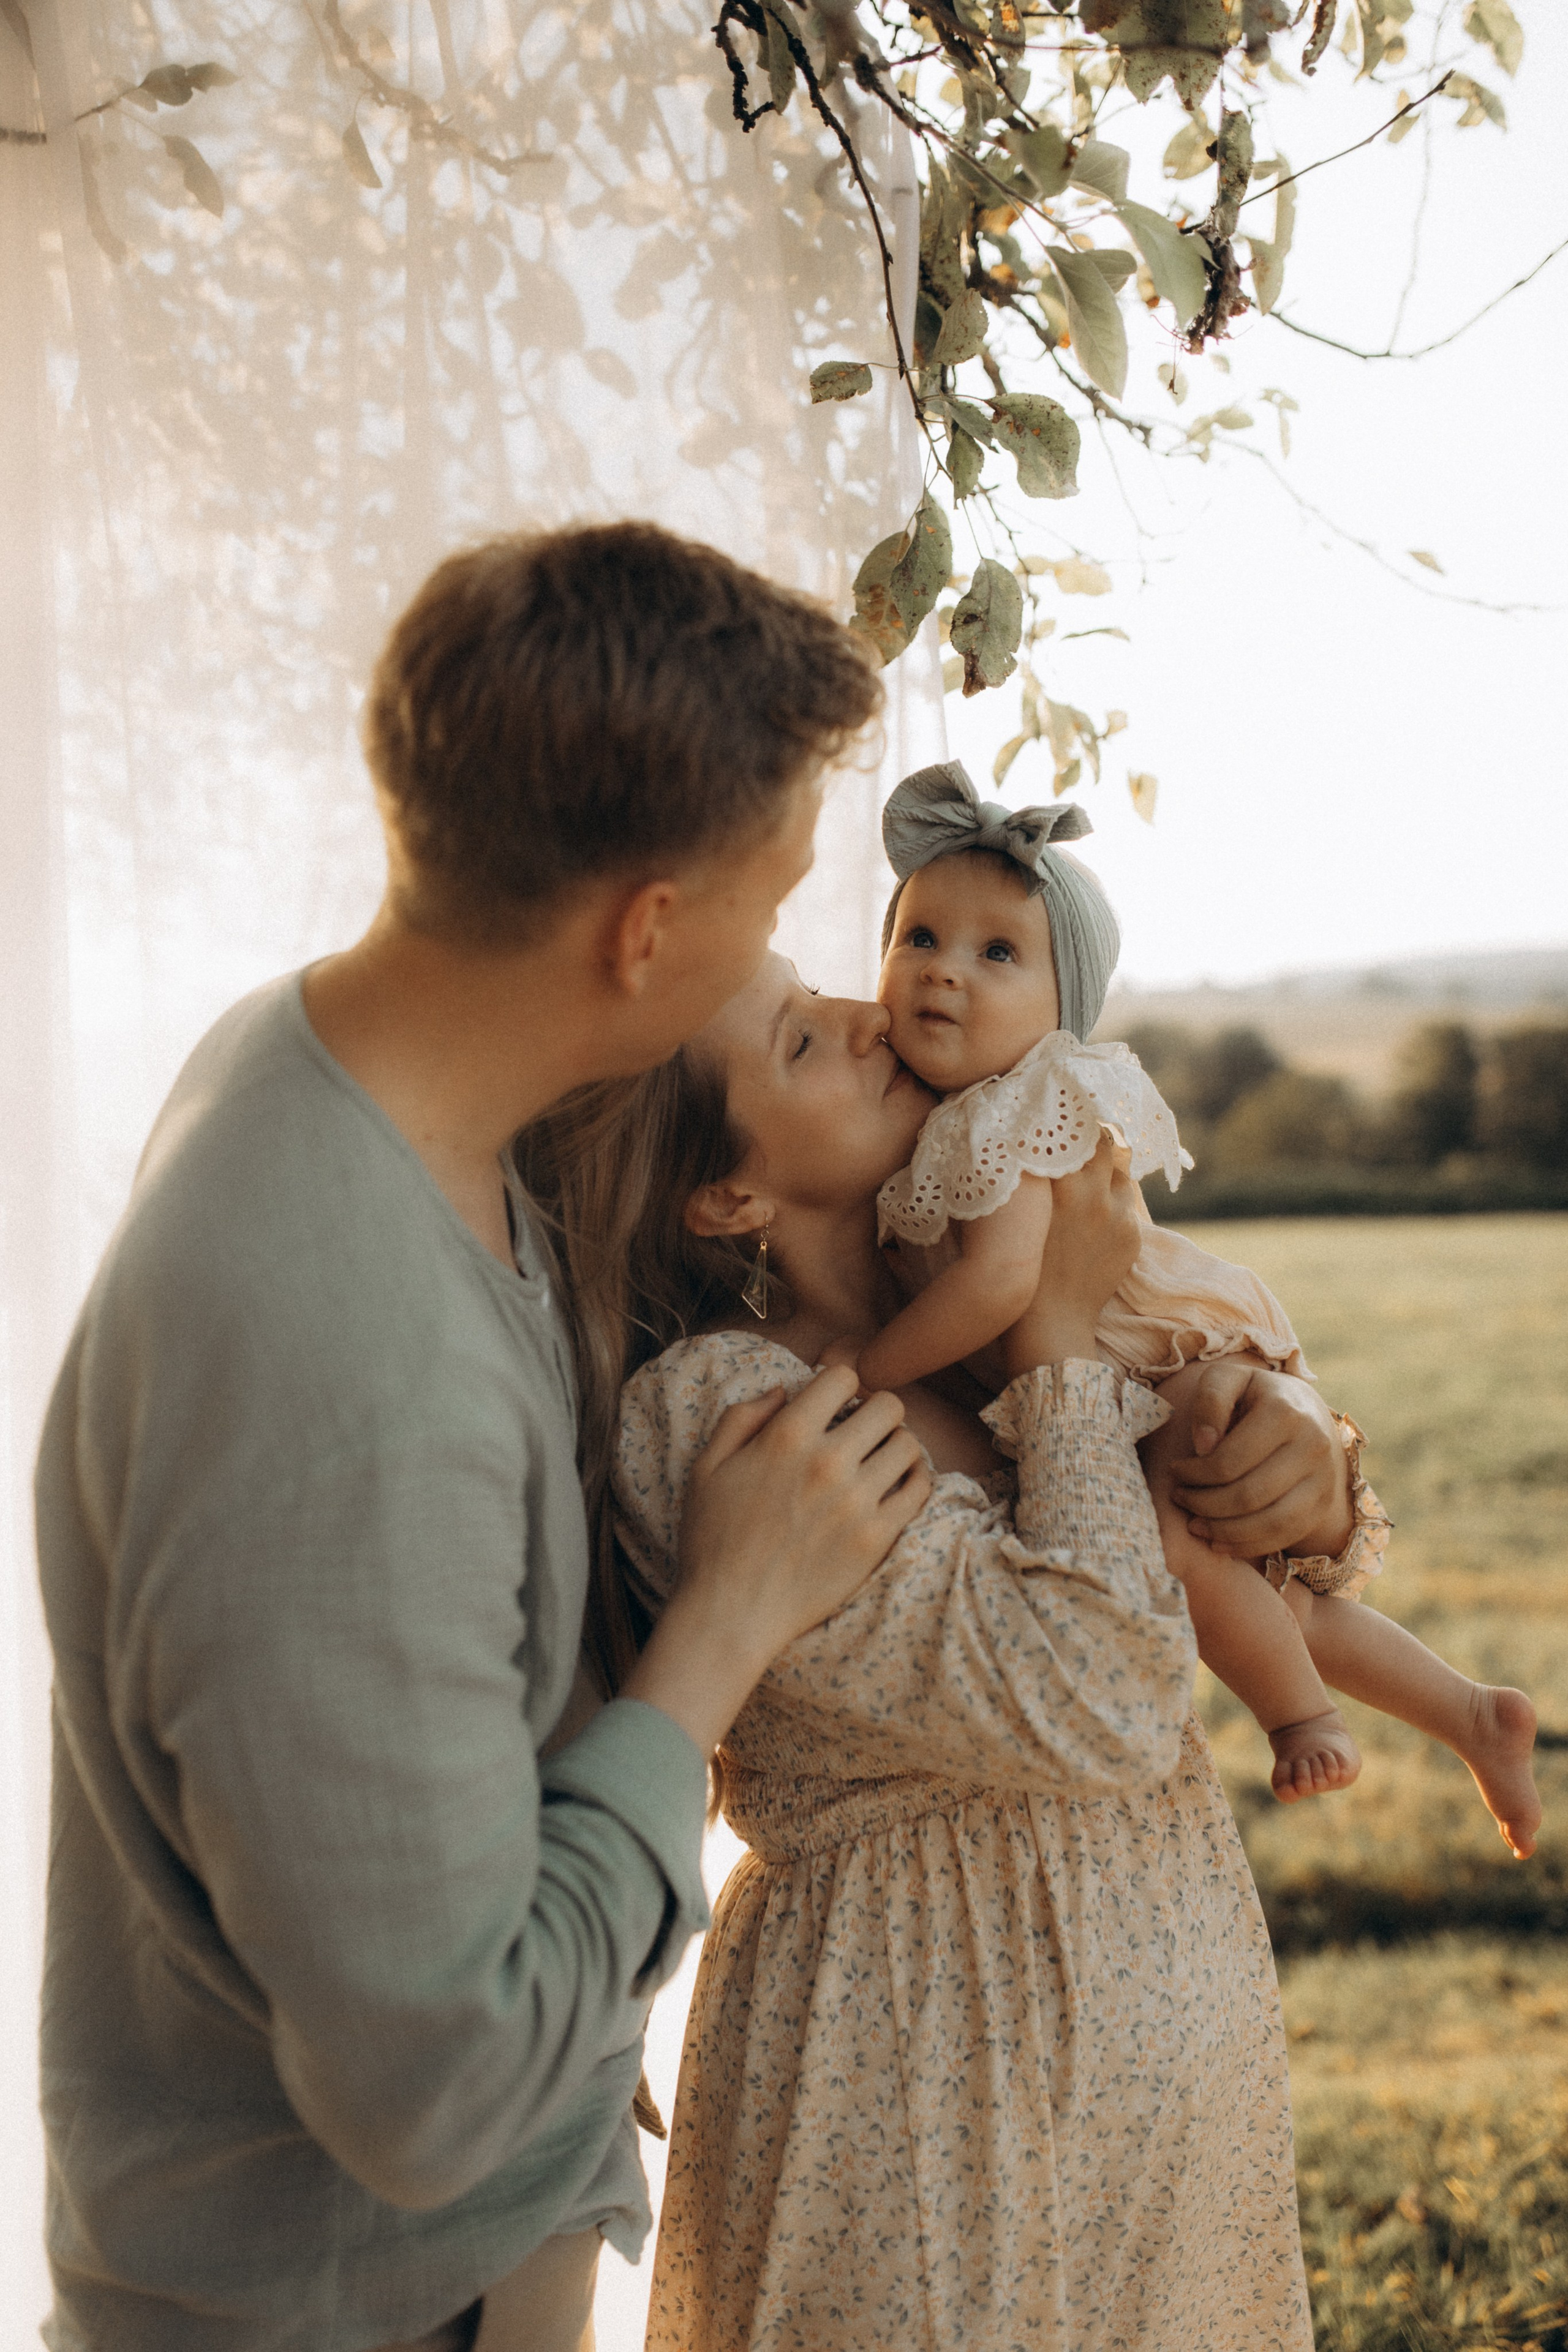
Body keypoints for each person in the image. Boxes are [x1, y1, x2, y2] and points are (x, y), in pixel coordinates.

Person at [32, 524, 935, 2352]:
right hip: (349, 2308)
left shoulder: (336, 1067)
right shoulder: (329, 1355)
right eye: (772, 904)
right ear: (649, 930)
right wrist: (716, 1643)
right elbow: (434, 2097)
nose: (789, 954)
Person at [516, 952, 1374, 2352]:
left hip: (1167, 2094)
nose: (871, 1015)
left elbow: (1244, 1568)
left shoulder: (977, 1326)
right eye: (801, 1041)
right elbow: (1095, 1698)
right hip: (921, 2091)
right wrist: (1053, 1347)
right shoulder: (732, 1415)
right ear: (727, 1198)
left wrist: (1299, 1449)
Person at [846, 760, 1538, 1853]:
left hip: (1153, 1353)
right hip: (1114, 1370)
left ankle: (1300, 1714)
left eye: (997, 954)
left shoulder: (1016, 1115)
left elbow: (998, 1287)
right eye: (918, 939)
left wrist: (863, 1372)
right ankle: (1469, 1712)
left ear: (1063, 1009)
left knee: (1180, 1541)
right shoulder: (928, 1121)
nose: (943, 976)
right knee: (1257, 1588)